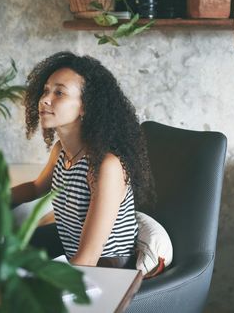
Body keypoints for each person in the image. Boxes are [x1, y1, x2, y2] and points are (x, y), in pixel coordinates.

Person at [12, 51, 153, 268]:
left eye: (60, 93)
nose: (45, 99)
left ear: (85, 107)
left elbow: (87, 260)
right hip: (76, 261)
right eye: (46, 90)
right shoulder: (61, 151)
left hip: (109, 273)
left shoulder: (107, 166)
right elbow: (34, 188)